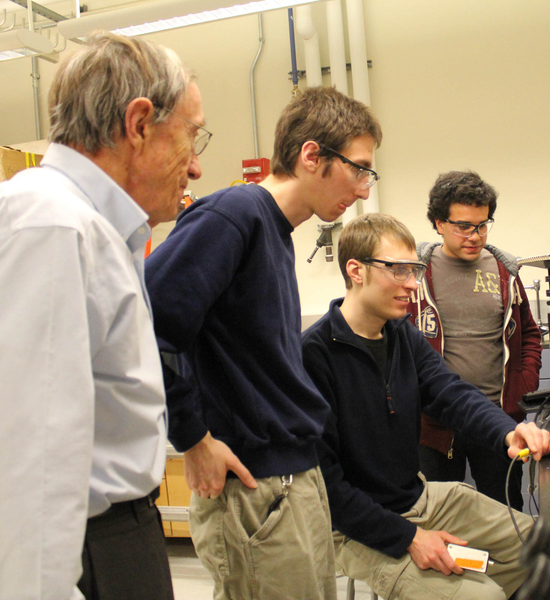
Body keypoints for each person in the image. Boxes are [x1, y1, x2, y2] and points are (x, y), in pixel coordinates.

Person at [0, 32, 205, 599]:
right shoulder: (49, 230)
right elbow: (15, 481)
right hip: (86, 553)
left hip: (107, 541)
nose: (195, 168)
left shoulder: (78, 228)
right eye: (191, 137)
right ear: (140, 123)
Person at [144, 86, 382, 600]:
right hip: (257, 492)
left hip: (294, 479)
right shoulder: (234, 214)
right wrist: (192, 437)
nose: (364, 189)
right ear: (312, 155)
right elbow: (150, 320)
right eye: (358, 169)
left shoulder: (273, 232)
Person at [302, 213, 550, 600]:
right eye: (398, 270)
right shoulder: (313, 356)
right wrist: (408, 538)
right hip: (356, 527)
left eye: (415, 269)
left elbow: (451, 392)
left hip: (418, 497)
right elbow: (325, 487)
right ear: (356, 270)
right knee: (482, 595)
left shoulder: (402, 334)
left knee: (547, 550)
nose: (411, 283)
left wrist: (509, 430)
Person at [408, 170, 543, 510]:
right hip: (434, 425)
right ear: (439, 223)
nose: (475, 235)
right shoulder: (414, 276)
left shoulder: (504, 272)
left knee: (506, 512)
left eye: (482, 225)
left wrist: (522, 385)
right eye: (463, 226)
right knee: (439, 515)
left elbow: (529, 334)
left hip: (496, 419)